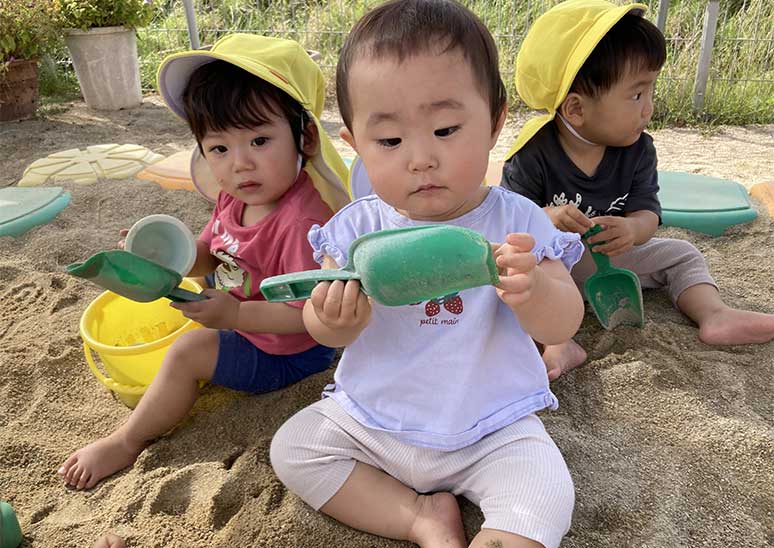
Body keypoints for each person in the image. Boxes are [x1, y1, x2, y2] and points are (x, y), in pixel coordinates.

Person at [270, 2, 586, 547]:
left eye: (445, 129)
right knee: (295, 448)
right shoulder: (356, 229)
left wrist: (534, 290)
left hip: (491, 426)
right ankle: (418, 516)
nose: (420, 158)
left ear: (495, 122)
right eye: (390, 141)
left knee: (544, 491)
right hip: (372, 420)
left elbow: (563, 323)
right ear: (355, 144)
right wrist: (334, 319)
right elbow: (322, 327)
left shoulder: (519, 222)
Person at [58, 34, 351, 490]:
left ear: (305, 137)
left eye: (259, 140)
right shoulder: (236, 198)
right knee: (190, 328)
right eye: (219, 148)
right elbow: (211, 253)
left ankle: (126, 442)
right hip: (241, 320)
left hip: (287, 353)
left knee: (186, 352)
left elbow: (311, 319)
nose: (240, 164)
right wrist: (167, 255)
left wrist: (234, 316)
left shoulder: (303, 223)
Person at [500, 0, 774, 381]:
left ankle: (713, 314)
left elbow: (648, 214)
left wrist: (631, 229)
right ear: (576, 109)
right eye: (637, 95)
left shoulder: (638, 150)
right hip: (553, 269)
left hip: (610, 261)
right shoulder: (532, 155)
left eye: (650, 92)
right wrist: (546, 219)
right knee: (510, 279)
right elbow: (509, 225)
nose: (649, 109)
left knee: (682, 253)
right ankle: (559, 341)